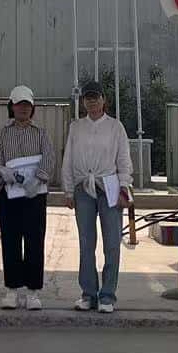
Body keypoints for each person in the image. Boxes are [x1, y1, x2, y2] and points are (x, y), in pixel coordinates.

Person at [62, 79, 134, 313]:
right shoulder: (76, 127)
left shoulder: (115, 127)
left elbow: (123, 160)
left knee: (112, 243)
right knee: (86, 243)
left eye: (96, 97)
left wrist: (124, 187)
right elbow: (68, 159)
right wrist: (68, 189)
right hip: (83, 187)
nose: (92, 102)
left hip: (110, 185)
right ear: (83, 102)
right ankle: (88, 294)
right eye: (88, 98)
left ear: (104, 100)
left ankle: (108, 296)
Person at [0, 84, 56, 310]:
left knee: (34, 241)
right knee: (10, 241)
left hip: (34, 196)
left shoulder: (41, 133)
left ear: (32, 107)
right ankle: (11, 289)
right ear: (12, 106)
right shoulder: (3, 133)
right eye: (19, 104)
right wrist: (1, 170)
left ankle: (33, 291)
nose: (23, 108)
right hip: (9, 195)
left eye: (27, 105)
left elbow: (49, 157)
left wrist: (38, 179)